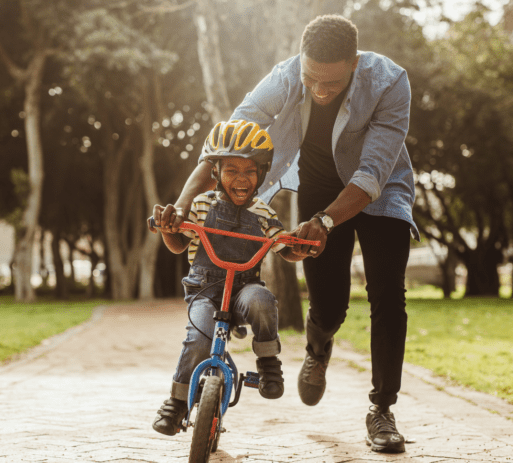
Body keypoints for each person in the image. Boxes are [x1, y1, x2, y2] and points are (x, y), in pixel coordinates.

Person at [161, 15, 419, 453]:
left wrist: (325, 223)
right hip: (319, 186)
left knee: (388, 293)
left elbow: (372, 172)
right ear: (300, 61)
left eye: (331, 83)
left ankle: (382, 409)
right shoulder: (285, 76)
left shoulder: (390, 82)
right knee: (330, 303)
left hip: (380, 190)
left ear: (354, 63)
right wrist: (183, 203)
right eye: (311, 78)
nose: (319, 90)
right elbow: (230, 138)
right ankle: (319, 346)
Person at [149, 120, 310, 436]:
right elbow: (179, 243)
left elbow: (284, 247)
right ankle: (177, 402)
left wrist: (300, 247)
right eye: (232, 170)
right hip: (205, 290)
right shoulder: (200, 205)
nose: (241, 178)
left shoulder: (263, 213)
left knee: (262, 300)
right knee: (199, 337)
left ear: (261, 174)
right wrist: (169, 229)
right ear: (216, 173)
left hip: (244, 289)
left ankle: (267, 364)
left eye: (250, 171)